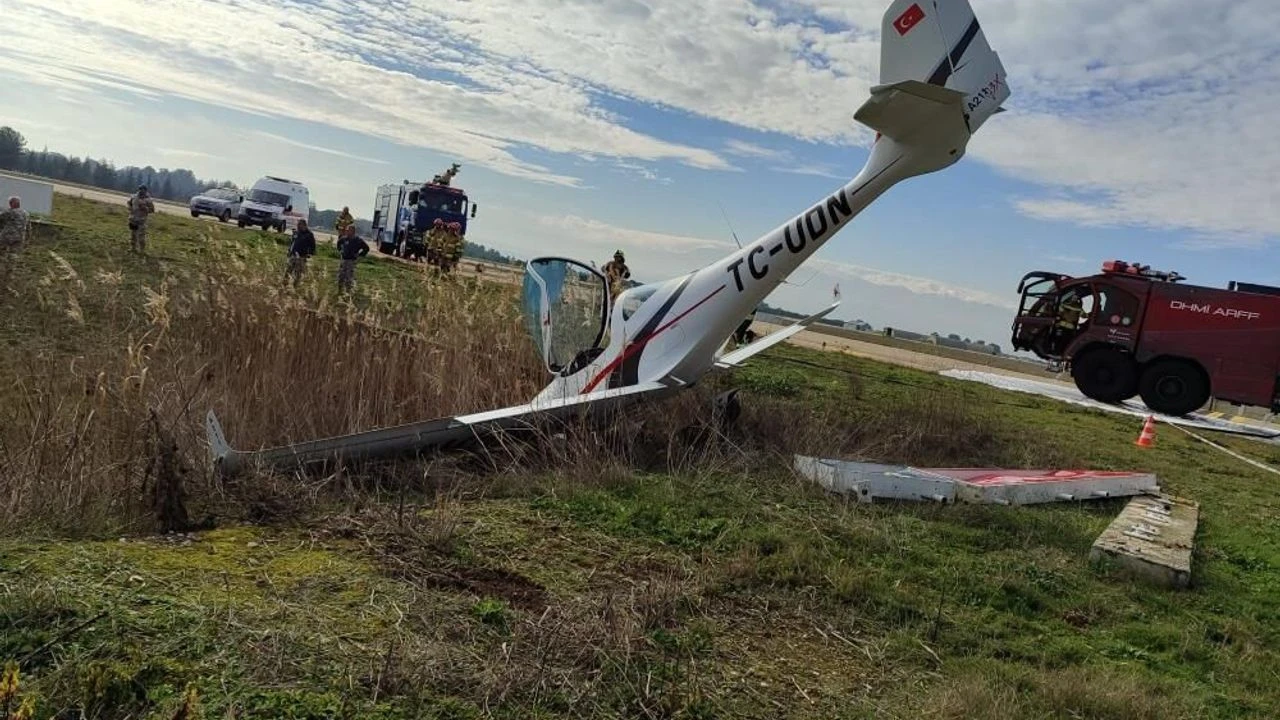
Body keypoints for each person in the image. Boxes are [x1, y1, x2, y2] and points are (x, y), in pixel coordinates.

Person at [0, 196, 30, 290]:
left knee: (1, 254)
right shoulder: (26, 214)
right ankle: (8, 278)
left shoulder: (10, 212)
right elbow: (29, 228)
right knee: (13, 258)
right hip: (19, 238)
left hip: (6, 237)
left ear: (12, 204)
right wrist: (28, 239)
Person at [336, 225, 369, 293]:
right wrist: (340, 250)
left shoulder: (358, 240)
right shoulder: (344, 238)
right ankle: (340, 291)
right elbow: (338, 243)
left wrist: (360, 255)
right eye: (346, 230)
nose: (346, 231)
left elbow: (366, 248)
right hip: (343, 260)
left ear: (353, 231)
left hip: (351, 261)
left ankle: (348, 292)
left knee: (349, 277)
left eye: (348, 230)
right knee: (341, 276)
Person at [284, 218, 316, 286]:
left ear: (304, 225)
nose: (297, 226)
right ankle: (284, 284)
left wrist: (309, 253)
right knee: (288, 270)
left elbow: (313, 246)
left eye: (299, 225)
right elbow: (292, 242)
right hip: (293, 255)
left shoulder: (309, 234)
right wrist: (289, 250)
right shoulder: (297, 232)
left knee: (298, 273)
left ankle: (295, 286)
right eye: (297, 224)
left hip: (301, 256)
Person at [127, 185, 156, 254]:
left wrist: (146, 208)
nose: (141, 191)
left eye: (143, 190)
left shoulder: (148, 200)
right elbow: (129, 204)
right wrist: (130, 208)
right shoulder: (134, 197)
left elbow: (152, 210)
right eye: (140, 189)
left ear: (146, 191)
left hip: (141, 221)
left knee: (141, 236)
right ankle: (133, 248)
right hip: (133, 219)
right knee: (133, 235)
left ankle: (142, 250)